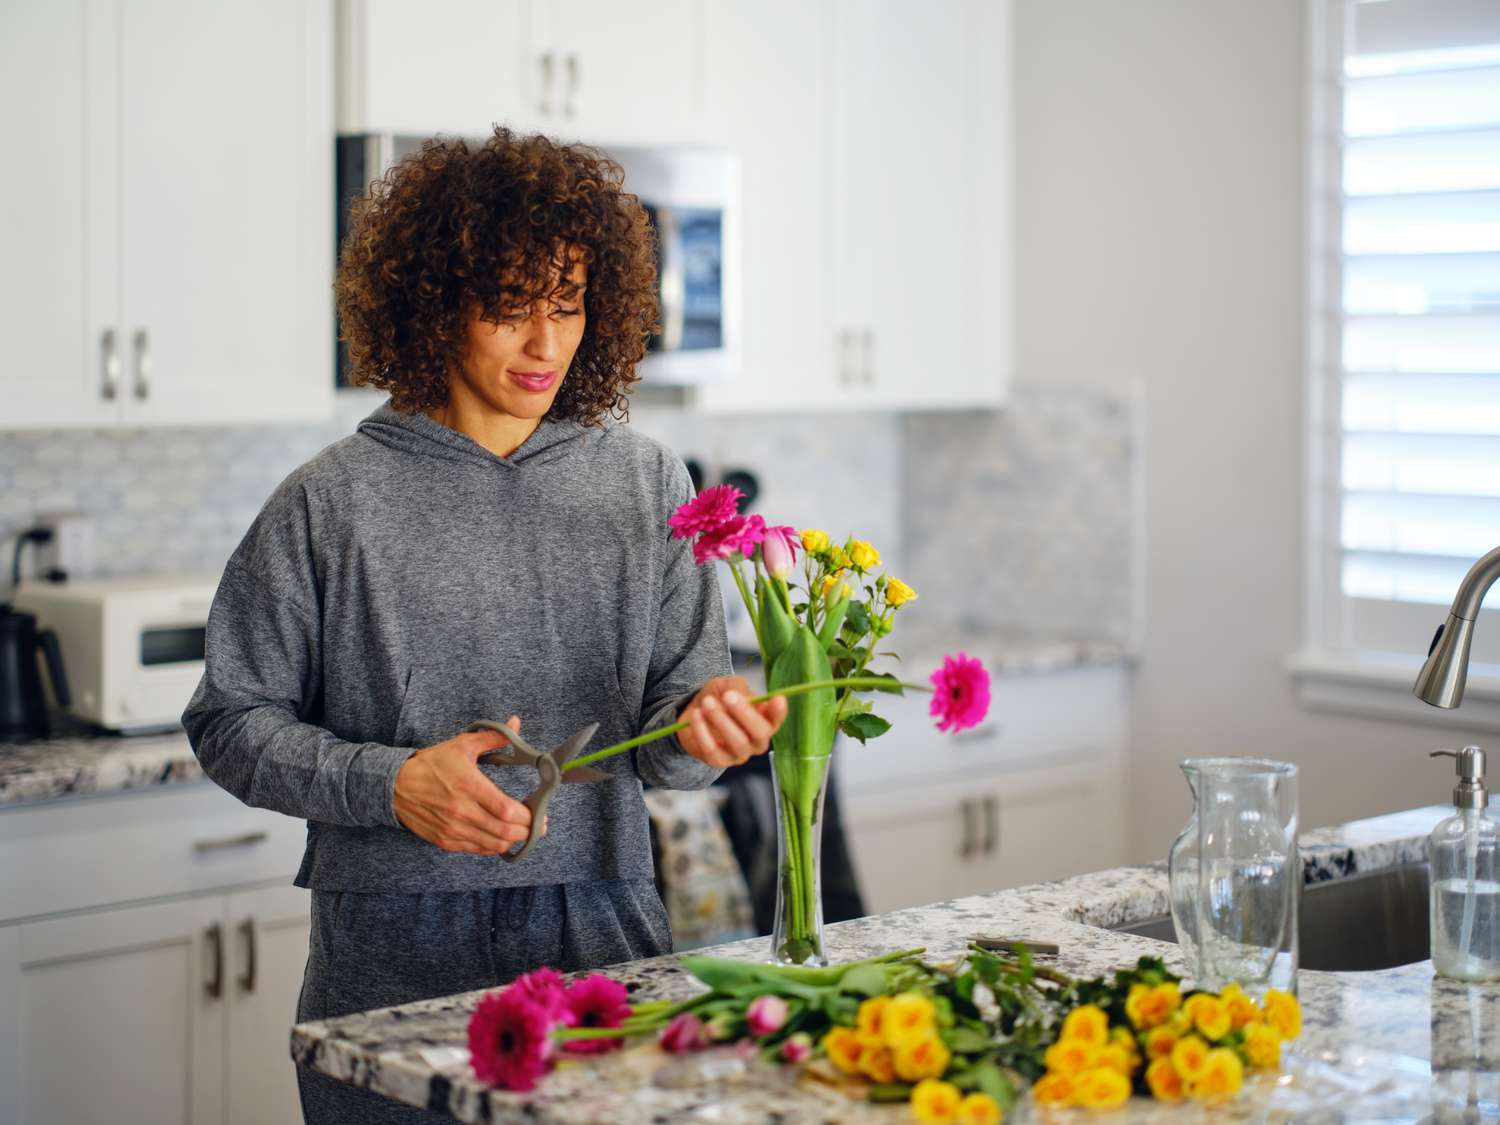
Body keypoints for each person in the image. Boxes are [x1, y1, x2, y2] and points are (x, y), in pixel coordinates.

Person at [181, 126, 788, 1123]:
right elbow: (229, 721)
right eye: (510, 310)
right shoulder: (329, 502)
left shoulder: (646, 485)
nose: (546, 345)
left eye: (569, 307)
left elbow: (677, 741)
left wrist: (704, 727)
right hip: (389, 958)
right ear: (434, 305)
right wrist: (392, 784)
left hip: (604, 939)